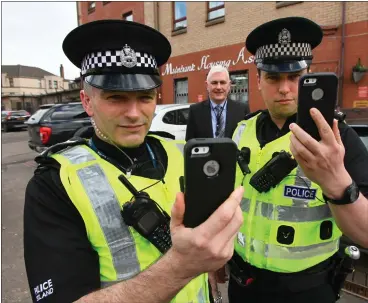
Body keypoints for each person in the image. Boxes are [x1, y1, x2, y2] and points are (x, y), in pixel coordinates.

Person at [23, 20, 244, 303]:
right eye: (116, 98)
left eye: (144, 97)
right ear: (87, 101)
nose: (134, 113)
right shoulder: (54, 184)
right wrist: (180, 267)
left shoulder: (179, 153)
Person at [225, 17, 368, 303]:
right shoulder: (242, 130)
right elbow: (229, 203)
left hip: (307, 291)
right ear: (258, 80)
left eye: (294, 77)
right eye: (273, 77)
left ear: (308, 75)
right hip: (243, 286)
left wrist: (336, 183)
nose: (284, 89)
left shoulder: (339, 138)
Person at [185, 65, 248, 141]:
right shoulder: (195, 111)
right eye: (214, 83)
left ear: (229, 85)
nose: (218, 87)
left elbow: (247, 142)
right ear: (207, 85)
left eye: (222, 82)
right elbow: (189, 143)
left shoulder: (242, 110)